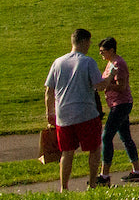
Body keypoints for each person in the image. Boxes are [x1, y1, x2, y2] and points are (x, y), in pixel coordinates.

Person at [44, 28, 106, 191]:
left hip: (63, 114)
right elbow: (98, 86)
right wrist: (110, 77)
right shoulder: (87, 62)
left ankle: (64, 187)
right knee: (94, 148)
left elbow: (49, 91)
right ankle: (92, 184)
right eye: (89, 42)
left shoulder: (58, 62)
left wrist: (49, 113)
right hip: (86, 113)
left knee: (67, 152)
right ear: (84, 42)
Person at [97, 37, 139, 184]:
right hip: (116, 104)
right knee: (125, 137)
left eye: (103, 51)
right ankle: (136, 171)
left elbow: (122, 87)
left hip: (121, 104)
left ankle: (104, 175)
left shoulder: (119, 64)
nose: (101, 54)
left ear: (111, 50)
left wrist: (106, 86)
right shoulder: (110, 63)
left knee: (106, 137)